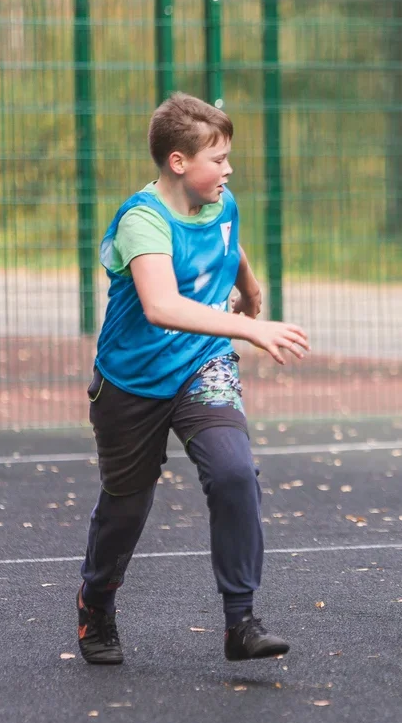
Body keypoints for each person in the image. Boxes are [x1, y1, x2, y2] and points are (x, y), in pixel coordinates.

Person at [76, 92, 310, 665]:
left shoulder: (220, 200)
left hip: (204, 365)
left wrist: (249, 288)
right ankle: (97, 602)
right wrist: (251, 328)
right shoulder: (142, 221)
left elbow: (227, 238)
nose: (228, 170)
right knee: (126, 508)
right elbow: (161, 305)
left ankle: (241, 622)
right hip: (132, 380)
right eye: (218, 158)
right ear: (178, 162)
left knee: (234, 474)